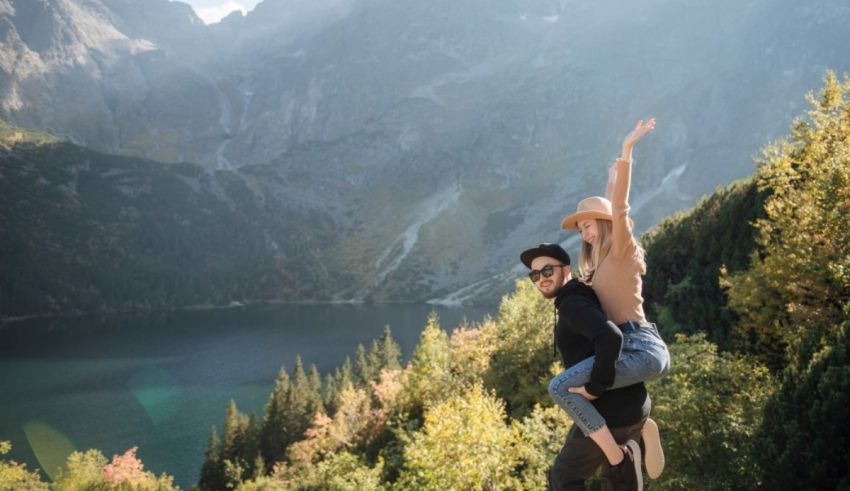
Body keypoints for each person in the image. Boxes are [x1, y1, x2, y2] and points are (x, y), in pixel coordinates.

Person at [552, 119, 669, 482]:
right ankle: (641, 427)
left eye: (588, 225)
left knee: (561, 387)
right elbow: (607, 208)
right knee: (579, 389)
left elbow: (618, 210)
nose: (584, 233)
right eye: (581, 229)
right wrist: (609, 180)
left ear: (603, 224)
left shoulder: (623, 249)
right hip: (630, 350)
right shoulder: (602, 263)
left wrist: (626, 152)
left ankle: (618, 455)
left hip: (642, 347)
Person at [520, 243, 649, 491]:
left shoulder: (571, 303)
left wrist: (595, 387)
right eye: (534, 275)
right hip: (631, 405)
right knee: (610, 478)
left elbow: (610, 337)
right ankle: (627, 459)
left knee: (563, 479)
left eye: (547, 271)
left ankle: (626, 462)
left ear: (565, 269)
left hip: (611, 412)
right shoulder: (580, 296)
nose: (541, 279)